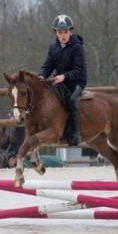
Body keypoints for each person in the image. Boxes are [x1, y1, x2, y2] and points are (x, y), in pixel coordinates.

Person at [40, 14, 88, 146]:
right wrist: (41, 76)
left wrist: (64, 76)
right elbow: (47, 66)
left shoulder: (77, 47)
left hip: (77, 81)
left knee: (71, 101)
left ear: (70, 32)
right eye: (60, 32)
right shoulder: (53, 48)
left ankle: (75, 134)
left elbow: (79, 70)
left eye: (65, 32)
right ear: (56, 33)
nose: (63, 35)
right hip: (61, 82)